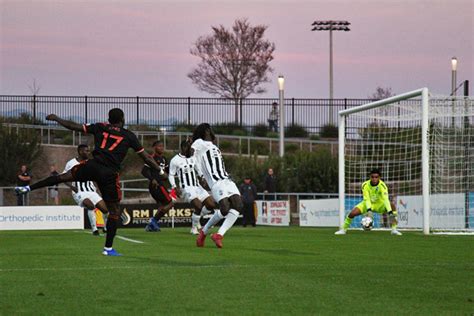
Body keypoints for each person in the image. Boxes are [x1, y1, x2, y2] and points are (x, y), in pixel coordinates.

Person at [15, 108, 164, 256]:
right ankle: (108, 248)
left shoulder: (100, 127)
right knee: (114, 212)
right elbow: (147, 158)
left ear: (109, 119)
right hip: (109, 173)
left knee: (62, 177)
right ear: (122, 119)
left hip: (92, 166)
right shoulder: (129, 135)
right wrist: (160, 170)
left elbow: (74, 126)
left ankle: (28, 188)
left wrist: (57, 119)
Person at [192, 123, 243, 248]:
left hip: (226, 179)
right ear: (207, 131)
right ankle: (203, 233)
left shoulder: (214, 146)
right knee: (224, 208)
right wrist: (200, 176)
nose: (213, 132)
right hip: (216, 182)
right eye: (211, 130)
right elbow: (191, 156)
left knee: (238, 205)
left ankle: (218, 235)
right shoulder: (199, 142)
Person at [168, 140, 218, 235]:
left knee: (211, 205)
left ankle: (197, 218)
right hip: (186, 188)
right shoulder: (175, 160)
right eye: (188, 147)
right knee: (198, 205)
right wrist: (174, 187)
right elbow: (171, 175)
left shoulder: (193, 158)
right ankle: (194, 228)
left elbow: (198, 169)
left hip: (197, 186)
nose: (190, 150)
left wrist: (202, 178)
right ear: (183, 148)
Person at [335, 168, 402, 236]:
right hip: (367, 204)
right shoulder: (365, 185)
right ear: (370, 177)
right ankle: (343, 230)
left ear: (379, 177)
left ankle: (394, 230)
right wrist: (369, 210)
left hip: (379, 204)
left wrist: (390, 212)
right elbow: (367, 199)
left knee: (392, 206)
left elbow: (385, 199)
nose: (374, 179)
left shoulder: (383, 186)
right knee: (352, 213)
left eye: (376, 177)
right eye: (372, 177)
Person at [63, 144, 108, 236]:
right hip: (79, 191)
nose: (88, 152)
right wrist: (73, 188)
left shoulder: (90, 162)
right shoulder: (71, 163)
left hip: (91, 190)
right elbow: (62, 177)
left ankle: (105, 227)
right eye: (86, 151)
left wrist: (98, 189)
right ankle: (94, 229)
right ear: (80, 152)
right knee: (90, 206)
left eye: (88, 151)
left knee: (105, 210)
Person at [143, 140, 174, 232]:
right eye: (159, 146)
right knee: (170, 203)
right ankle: (153, 221)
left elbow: (168, 172)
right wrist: (152, 179)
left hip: (161, 185)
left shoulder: (164, 159)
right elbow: (144, 171)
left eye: (162, 146)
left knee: (161, 206)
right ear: (154, 147)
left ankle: (151, 226)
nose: (161, 148)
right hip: (156, 185)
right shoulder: (151, 157)